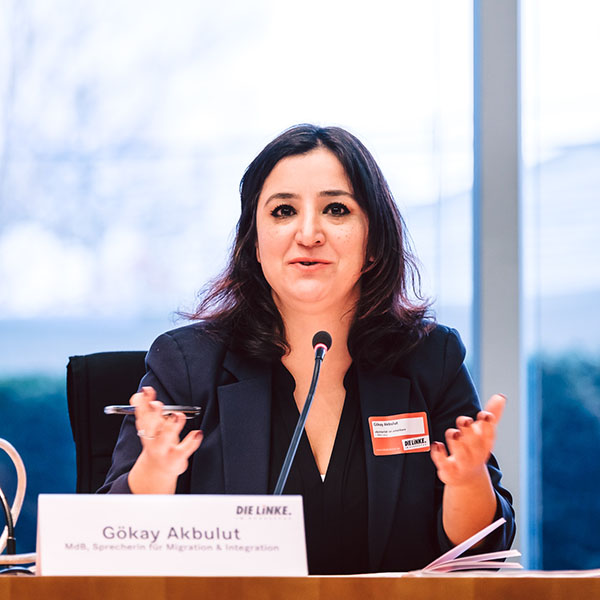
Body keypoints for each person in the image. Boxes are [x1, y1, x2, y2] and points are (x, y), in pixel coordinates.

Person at [100, 124, 515, 574]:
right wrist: (157, 473)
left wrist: (468, 481)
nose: (309, 232)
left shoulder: (430, 358)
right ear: (254, 245)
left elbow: (480, 555)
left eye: (336, 209)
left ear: (373, 241)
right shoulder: (188, 364)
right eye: (282, 212)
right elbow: (109, 543)